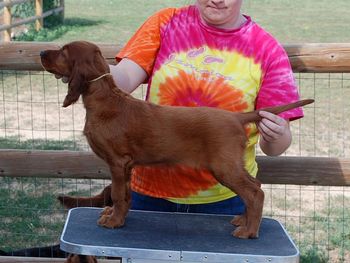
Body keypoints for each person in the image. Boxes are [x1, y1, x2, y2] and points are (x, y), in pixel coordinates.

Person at [58, 0, 303, 216]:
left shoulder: (268, 51)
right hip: (150, 195)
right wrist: (83, 68)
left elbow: (274, 148)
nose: (217, 0)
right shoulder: (166, 23)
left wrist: (277, 134)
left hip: (222, 201)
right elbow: (121, 79)